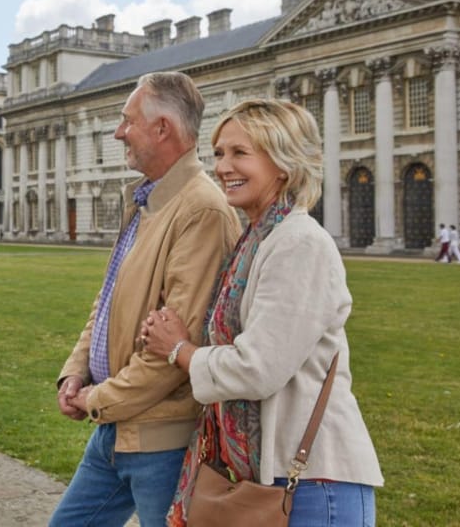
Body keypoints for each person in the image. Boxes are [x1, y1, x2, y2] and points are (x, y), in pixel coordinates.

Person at [140, 99, 383, 527]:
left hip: (313, 483)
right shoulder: (255, 241)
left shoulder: (298, 243)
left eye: (239, 153)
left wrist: (178, 348)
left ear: (283, 164)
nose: (223, 167)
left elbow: (257, 369)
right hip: (270, 478)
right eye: (218, 153)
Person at [49, 71, 241, 526]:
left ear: (163, 130)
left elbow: (173, 346)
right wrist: (74, 374)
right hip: (115, 428)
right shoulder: (143, 199)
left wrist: (99, 399)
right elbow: (108, 301)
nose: (118, 133)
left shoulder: (202, 211)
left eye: (126, 121)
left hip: (162, 440)